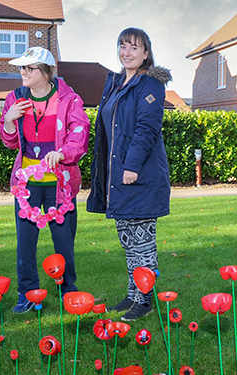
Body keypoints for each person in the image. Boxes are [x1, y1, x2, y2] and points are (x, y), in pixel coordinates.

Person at [87, 27, 171, 321]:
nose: (127, 52)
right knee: (128, 239)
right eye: (122, 45)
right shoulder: (116, 83)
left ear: (146, 53)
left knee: (142, 240)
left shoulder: (150, 85)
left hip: (139, 176)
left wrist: (132, 167)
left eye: (134, 47)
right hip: (117, 178)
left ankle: (145, 299)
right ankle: (133, 293)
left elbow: (146, 130)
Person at [0, 47, 90, 313]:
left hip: (59, 184)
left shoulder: (68, 99)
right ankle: (27, 295)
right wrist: (10, 121)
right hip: (27, 185)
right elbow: (10, 142)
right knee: (25, 243)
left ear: (47, 72)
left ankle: (68, 292)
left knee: (63, 243)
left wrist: (62, 153)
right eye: (22, 68)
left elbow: (79, 135)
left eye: (29, 68)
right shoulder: (14, 99)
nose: (23, 73)